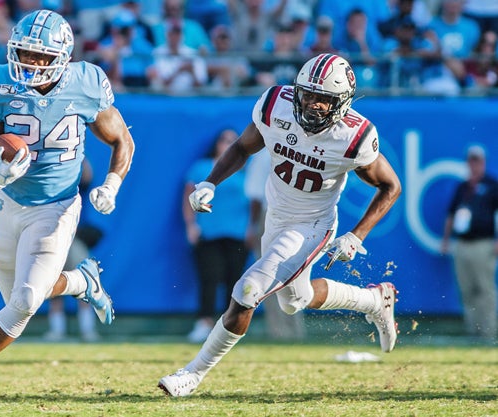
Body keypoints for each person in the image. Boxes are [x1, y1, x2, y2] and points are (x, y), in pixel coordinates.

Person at [158, 53, 402, 397]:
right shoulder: (277, 105)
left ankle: (192, 374)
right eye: (308, 95)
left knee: (248, 289)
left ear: (342, 103)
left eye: (324, 100)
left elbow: (391, 186)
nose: (313, 105)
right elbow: (242, 147)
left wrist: (356, 234)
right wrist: (210, 182)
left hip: (313, 224)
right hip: (277, 217)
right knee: (293, 300)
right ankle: (375, 301)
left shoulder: (353, 136)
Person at [0, 9, 135, 406]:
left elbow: (122, 140)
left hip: (56, 206)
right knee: (19, 300)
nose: (30, 63)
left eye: (41, 56)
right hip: (8, 204)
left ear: (62, 56)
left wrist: (112, 183)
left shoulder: (86, 83)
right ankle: (81, 282)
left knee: (24, 301)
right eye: (24, 53)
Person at [183, 128, 250, 344]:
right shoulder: (201, 168)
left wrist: (252, 227)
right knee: (209, 278)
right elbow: (187, 197)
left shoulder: (244, 171)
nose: (227, 144)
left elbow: (254, 202)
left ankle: (228, 327)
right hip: (209, 233)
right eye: (224, 140)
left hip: (237, 233)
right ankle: (204, 323)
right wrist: (191, 225)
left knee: (234, 281)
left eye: (233, 141)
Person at [244, 148, 306, 341]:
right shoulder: (301, 148)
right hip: (301, 215)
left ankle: (281, 331)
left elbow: (255, 194)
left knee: (267, 274)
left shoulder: (264, 153)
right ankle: (296, 330)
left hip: (271, 215)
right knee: (293, 274)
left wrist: (252, 226)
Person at [440, 144, 498, 340]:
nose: (474, 165)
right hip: (462, 244)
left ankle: (489, 331)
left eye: (478, 161)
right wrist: (446, 240)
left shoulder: (492, 185)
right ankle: (473, 329)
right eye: (471, 161)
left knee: (485, 288)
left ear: (483, 162)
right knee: (466, 289)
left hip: (484, 243)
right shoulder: (462, 187)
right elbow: (451, 214)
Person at [44, 159, 104, 342]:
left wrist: (79, 154)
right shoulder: (46, 189)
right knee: (52, 284)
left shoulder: (75, 187)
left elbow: (87, 176)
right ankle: (57, 330)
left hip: (74, 238)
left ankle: (88, 329)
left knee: (83, 283)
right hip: (54, 239)